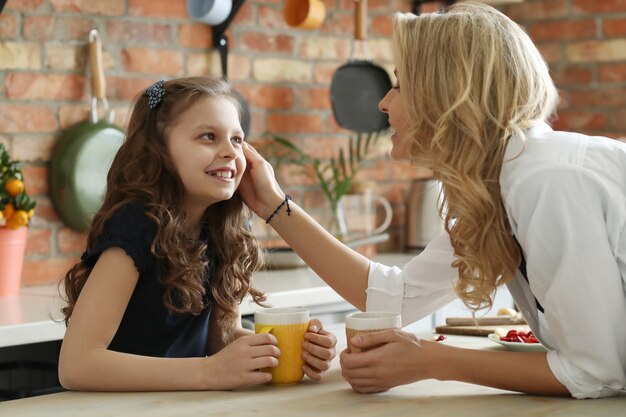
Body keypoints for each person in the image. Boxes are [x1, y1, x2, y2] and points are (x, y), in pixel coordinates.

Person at [238, 1, 626, 399]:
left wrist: (431, 360)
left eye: (401, 85)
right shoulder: (496, 184)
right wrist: (271, 203)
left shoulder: (546, 181)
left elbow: (597, 371)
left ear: (449, 95)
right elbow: (395, 298)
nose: (383, 103)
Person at [58, 77, 337, 391]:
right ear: (159, 150)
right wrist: (209, 372)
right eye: (208, 137)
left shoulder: (224, 228)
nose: (230, 152)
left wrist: (286, 349)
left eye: (236, 139)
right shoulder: (136, 226)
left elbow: (221, 340)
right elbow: (77, 365)